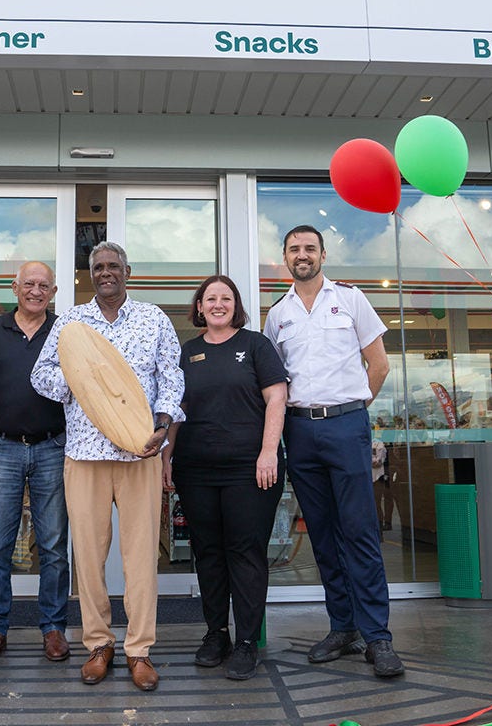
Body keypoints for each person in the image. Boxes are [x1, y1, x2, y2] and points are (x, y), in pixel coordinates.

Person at [31, 241, 184, 692]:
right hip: (84, 454)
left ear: (127, 271)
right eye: (98, 267)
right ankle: (98, 644)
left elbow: (172, 378)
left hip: (141, 454)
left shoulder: (153, 319)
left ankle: (139, 650)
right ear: (90, 275)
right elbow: (40, 376)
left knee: (140, 559)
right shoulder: (72, 322)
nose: (105, 273)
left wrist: (161, 424)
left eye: (113, 266)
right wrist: (83, 382)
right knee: (90, 559)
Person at [263, 225, 404, 678]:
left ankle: (378, 637)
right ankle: (342, 626)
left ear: (323, 253)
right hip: (300, 433)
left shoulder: (352, 299)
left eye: (309, 248)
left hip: (346, 426)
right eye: (294, 249)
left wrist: (351, 412)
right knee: (322, 534)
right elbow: (276, 385)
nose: (302, 255)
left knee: (360, 531)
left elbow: (378, 364)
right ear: (285, 257)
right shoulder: (277, 314)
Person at [161, 275, 287, 680]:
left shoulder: (255, 345)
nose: (218, 304)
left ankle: (247, 641)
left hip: (250, 469)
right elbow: (175, 408)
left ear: (236, 306)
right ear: (199, 306)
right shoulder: (188, 352)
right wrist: (168, 457)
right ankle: (216, 634)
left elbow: (277, 397)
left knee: (245, 552)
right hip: (195, 469)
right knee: (209, 552)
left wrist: (268, 451)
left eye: (225, 298)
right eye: (210, 298)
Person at [0, 261, 70, 664]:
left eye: (43, 285)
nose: (35, 290)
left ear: (54, 290)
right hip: (2, 447)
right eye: (28, 283)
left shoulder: (66, 331)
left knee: (53, 545)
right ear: (14, 287)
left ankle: (53, 629)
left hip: (52, 447)